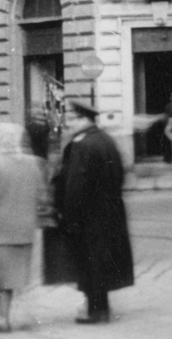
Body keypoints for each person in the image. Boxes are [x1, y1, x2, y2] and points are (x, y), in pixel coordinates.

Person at [54, 98, 134, 324]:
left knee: (89, 262)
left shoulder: (82, 145)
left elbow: (75, 185)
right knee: (101, 259)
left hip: (87, 215)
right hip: (109, 212)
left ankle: (95, 311)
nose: (67, 124)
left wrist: (68, 215)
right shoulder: (106, 140)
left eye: (70, 119)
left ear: (83, 119)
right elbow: (119, 175)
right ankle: (101, 307)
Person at [0, 121, 46, 333]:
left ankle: (3, 320)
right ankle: (23, 315)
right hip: (24, 229)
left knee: (0, 279)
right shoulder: (34, 163)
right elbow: (41, 196)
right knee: (17, 274)